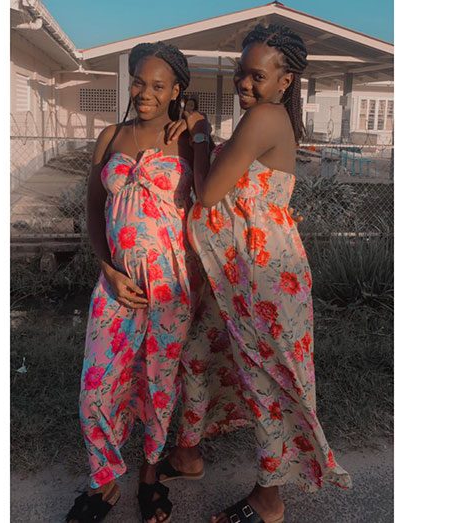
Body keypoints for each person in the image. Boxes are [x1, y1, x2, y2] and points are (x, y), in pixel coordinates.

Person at [163, 24, 353, 523]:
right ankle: (187, 453)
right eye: (241, 74)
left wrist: (202, 135)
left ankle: (269, 498)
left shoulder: (265, 117)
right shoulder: (261, 117)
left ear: (284, 81)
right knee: (200, 349)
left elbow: (207, 193)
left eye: (257, 75)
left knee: (268, 380)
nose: (245, 84)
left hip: (266, 278)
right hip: (240, 276)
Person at [66, 41, 197, 523]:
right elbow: (94, 213)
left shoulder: (187, 141)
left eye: (157, 85)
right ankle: (103, 483)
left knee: (158, 387)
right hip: (117, 287)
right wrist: (108, 268)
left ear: (175, 90)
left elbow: (208, 208)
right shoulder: (110, 136)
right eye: (139, 81)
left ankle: (149, 478)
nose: (144, 92)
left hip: (170, 290)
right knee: (97, 389)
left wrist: (199, 128)